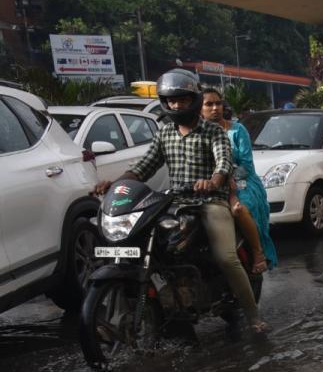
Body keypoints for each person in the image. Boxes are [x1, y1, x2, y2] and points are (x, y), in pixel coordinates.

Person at [94, 69, 266, 334]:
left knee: (226, 257)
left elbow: (224, 162)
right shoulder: (164, 134)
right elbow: (143, 168)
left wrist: (214, 181)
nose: (176, 105)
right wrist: (115, 183)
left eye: (182, 100)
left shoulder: (213, 132)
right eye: (171, 101)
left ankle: (253, 315)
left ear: (194, 100)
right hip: (174, 202)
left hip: (210, 201)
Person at [200, 88, 275, 273]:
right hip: (208, 186)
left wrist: (227, 178)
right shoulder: (197, 134)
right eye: (209, 104)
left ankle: (258, 253)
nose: (215, 108)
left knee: (239, 210)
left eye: (218, 103)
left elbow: (247, 166)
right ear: (199, 108)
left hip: (242, 182)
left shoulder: (237, 130)